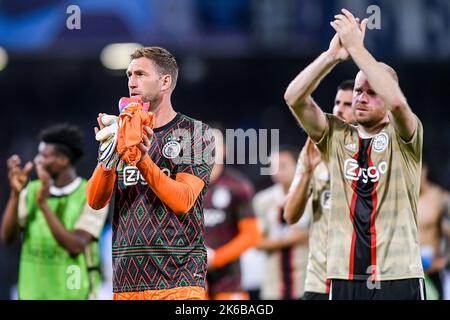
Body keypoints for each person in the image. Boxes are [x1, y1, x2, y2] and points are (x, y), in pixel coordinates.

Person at [284, 9, 425, 299]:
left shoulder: (404, 135)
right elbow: (294, 97)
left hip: (398, 273)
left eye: (372, 92)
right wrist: (331, 57)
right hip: (344, 275)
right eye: (358, 90)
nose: (360, 97)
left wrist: (358, 48)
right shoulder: (335, 135)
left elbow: (398, 104)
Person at [86, 46, 215, 300]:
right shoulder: (122, 132)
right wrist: (108, 157)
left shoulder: (195, 133)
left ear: (165, 81)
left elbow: (183, 201)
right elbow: (95, 201)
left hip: (179, 281)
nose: (132, 82)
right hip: (126, 282)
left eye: (140, 74)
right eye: (129, 75)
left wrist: (142, 160)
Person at [1, 124, 108, 299]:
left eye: (43, 155)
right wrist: (15, 194)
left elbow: (76, 245)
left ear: (63, 160)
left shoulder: (91, 194)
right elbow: (7, 238)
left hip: (75, 294)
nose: (37, 160)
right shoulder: (31, 191)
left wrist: (43, 204)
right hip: (31, 294)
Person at [284, 80, 356, 300]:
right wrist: (306, 171)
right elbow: (290, 215)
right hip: (319, 279)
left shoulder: (371, 155)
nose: (339, 109)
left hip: (359, 277)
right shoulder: (311, 153)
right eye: (337, 103)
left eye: (347, 104)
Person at [204, 126, 261, 300]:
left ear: (225, 150)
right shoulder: (185, 185)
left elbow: (252, 235)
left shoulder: (237, 186)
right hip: (193, 281)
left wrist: (216, 259)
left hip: (229, 281)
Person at [253, 146, 310, 300]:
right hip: (273, 286)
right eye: (273, 167)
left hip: (306, 283)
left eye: (283, 165)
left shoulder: (312, 195)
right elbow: (255, 242)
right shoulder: (262, 200)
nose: (278, 171)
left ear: (298, 165)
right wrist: (292, 238)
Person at [418, 162, 450, 299]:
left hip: (432, 270)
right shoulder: (403, 199)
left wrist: (444, 260)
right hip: (410, 271)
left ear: (424, 170)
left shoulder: (439, 198)